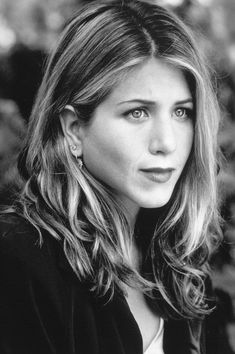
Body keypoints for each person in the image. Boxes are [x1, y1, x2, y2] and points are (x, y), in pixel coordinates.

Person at [0, 0, 222, 353]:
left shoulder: (182, 258)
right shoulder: (19, 261)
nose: (166, 142)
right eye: (137, 112)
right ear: (74, 129)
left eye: (182, 112)